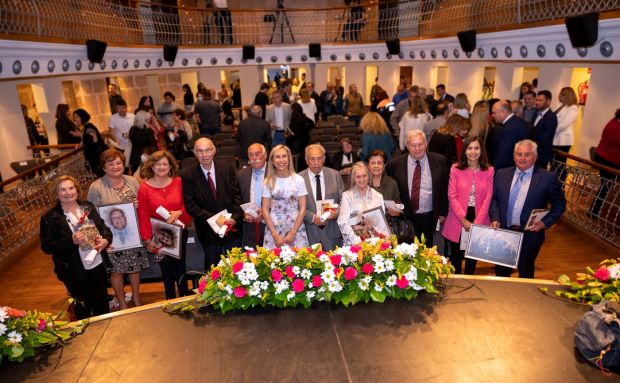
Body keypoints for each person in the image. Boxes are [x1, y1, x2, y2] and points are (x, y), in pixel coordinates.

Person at [490, 139, 566, 278]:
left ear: (535, 157)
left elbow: (560, 204)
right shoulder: (501, 174)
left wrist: (545, 223)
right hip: (504, 233)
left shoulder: (548, 178)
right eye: (519, 154)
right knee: (501, 273)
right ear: (514, 156)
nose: (522, 158)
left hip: (530, 235)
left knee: (525, 272)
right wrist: (495, 218)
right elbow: (494, 199)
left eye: (527, 154)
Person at [40, 175, 111, 319]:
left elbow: (104, 228)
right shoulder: (49, 218)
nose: (68, 192)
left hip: (97, 263)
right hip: (73, 270)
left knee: (102, 304)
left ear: (77, 190)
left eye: (71, 188)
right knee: (82, 308)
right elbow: (47, 246)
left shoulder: (88, 207)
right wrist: (70, 240)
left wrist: (106, 241)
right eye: (63, 189)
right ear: (56, 193)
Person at [87, 148, 149, 309]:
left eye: (118, 163)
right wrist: (101, 240)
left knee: (135, 268)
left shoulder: (132, 181)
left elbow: (144, 205)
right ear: (103, 167)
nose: (115, 166)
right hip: (111, 238)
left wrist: (138, 204)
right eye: (110, 163)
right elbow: (91, 215)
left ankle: (136, 296)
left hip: (133, 234)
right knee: (116, 271)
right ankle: (121, 302)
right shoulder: (96, 187)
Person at [138, 150, 191, 299]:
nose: (161, 167)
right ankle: (170, 300)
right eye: (157, 164)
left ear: (170, 166)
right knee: (166, 269)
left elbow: (189, 204)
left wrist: (179, 212)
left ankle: (184, 297)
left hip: (179, 230)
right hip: (158, 235)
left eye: (164, 164)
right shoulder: (144, 188)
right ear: (152, 167)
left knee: (181, 266)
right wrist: (147, 240)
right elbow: (142, 214)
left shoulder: (179, 182)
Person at [182, 138, 242, 269]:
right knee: (212, 270)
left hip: (231, 228)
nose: (204, 155)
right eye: (200, 151)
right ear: (195, 153)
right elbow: (191, 206)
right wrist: (217, 220)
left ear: (214, 150)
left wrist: (235, 218)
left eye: (207, 150)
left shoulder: (227, 168)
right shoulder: (188, 176)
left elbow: (237, 196)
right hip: (208, 230)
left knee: (235, 269)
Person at [441, 137, 494, 274]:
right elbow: (451, 196)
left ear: (481, 151)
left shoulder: (489, 170)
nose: (473, 152)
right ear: (464, 151)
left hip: (479, 218)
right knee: (456, 257)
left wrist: (476, 223)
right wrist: (463, 219)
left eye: (476, 148)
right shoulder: (455, 169)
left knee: (472, 257)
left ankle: (470, 282)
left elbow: (488, 198)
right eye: (469, 148)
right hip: (457, 218)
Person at [387, 130, 449, 246]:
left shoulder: (440, 161)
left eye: (420, 144)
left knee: (427, 253)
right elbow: (392, 190)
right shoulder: (394, 165)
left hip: (430, 217)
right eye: (413, 145)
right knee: (407, 254)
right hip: (406, 218)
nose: (417, 148)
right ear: (407, 146)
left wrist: (443, 213)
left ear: (426, 144)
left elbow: (444, 188)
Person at [262, 145, 309, 248]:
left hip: (295, 228)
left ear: (289, 159)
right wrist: (274, 234)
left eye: (284, 156)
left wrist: (292, 233)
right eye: (277, 157)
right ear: (272, 161)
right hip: (273, 229)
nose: (281, 160)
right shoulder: (268, 181)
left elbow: (303, 209)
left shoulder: (299, 180)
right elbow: (265, 210)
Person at [299, 144, 344, 251]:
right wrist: (312, 217)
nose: (316, 162)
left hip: (332, 233)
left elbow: (344, 201)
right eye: (312, 159)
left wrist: (335, 214)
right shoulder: (298, 179)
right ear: (306, 160)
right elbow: (295, 206)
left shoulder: (335, 175)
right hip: (309, 233)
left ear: (324, 159)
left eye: (319, 158)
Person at [338, 162, 386, 245]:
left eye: (364, 176)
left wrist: (378, 239)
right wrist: (357, 241)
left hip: (375, 243)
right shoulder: (347, 196)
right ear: (353, 178)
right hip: (354, 244)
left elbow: (381, 224)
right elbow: (342, 222)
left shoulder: (378, 196)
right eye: (358, 177)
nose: (362, 180)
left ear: (369, 176)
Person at [590, 109, 620, 217]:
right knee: (606, 186)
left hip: (606, 158)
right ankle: (594, 212)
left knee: (605, 186)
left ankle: (595, 211)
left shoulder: (615, 121)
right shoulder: (615, 126)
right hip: (608, 160)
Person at [238, 143, 268, 248]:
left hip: (272, 225)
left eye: (257, 154)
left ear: (265, 155)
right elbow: (237, 199)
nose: (254, 158)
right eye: (251, 155)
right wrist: (243, 214)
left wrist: (265, 212)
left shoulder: (275, 172)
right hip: (249, 225)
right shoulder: (241, 174)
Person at [491, 100, 529, 169]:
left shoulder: (509, 128)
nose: (492, 115)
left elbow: (504, 155)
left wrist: (494, 170)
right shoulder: (518, 121)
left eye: (494, 113)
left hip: (509, 169)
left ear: (503, 112)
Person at [74, 108, 107, 177]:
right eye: (74, 117)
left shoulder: (89, 127)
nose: (74, 119)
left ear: (82, 117)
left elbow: (95, 141)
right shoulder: (86, 127)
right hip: (97, 160)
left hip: (98, 160)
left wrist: (82, 136)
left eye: (76, 117)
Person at [531, 90, 558, 169]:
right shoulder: (536, 113)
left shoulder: (551, 117)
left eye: (540, 100)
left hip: (541, 155)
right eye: (536, 100)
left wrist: (529, 144)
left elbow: (545, 138)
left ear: (548, 101)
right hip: (531, 152)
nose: (537, 102)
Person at [552, 87, 579, 162]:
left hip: (563, 140)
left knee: (560, 162)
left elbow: (564, 125)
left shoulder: (573, 108)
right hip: (555, 137)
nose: (558, 96)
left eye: (560, 94)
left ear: (566, 96)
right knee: (553, 161)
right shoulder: (559, 105)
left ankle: (562, 174)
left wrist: (550, 130)